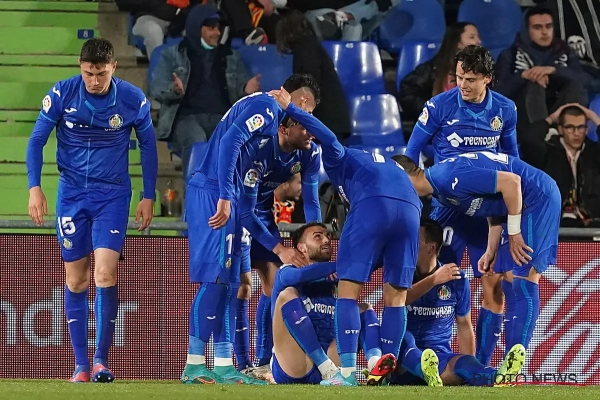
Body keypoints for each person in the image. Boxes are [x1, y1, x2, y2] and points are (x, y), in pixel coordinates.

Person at [269, 87, 422, 387]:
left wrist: (292, 109)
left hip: (373, 204)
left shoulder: (341, 158)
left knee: (349, 294)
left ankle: (348, 374)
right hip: (412, 209)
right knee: (396, 298)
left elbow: (327, 137)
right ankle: (384, 369)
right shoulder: (388, 165)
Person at [25, 38, 158, 383]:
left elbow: (148, 146)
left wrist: (148, 195)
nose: (94, 81)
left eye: (101, 74)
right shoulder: (63, 93)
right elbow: (36, 140)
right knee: (76, 279)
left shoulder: (132, 99)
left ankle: (101, 361)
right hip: (71, 195)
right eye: (88, 73)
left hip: (112, 196)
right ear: (80, 67)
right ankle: (81, 366)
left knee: (105, 275)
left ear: (113, 67)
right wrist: (34, 187)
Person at [181, 74, 319, 384]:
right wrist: (224, 195)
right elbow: (229, 141)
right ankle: (193, 364)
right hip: (215, 191)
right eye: (308, 114)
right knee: (217, 278)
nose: (309, 123)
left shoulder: (277, 126)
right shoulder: (267, 109)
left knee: (231, 282)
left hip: (232, 195)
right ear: (301, 102)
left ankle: (223, 364)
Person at [394, 151, 561, 379]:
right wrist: (491, 247)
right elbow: (491, 201)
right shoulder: (440, 189)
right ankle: (483, 370)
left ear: (402, 177)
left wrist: (514, 232)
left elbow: (512, 183)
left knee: (523, 278)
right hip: (513, 206)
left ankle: (512, 366)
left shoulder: (447, 178)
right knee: (500, 280)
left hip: (536, 198)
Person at [404, 44, 519, 366]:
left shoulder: (505, 109)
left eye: (470, 79)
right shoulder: (438, 106)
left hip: (487, 213)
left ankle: (480, 365)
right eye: (458, 78)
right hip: (447, 208)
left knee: (493, 282)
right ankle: (418, 358)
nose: (462, 85)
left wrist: (514, 211)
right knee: (437, 278)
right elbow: (411, 154)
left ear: (487, 78)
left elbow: (513, 159)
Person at [235, 104, 323, 371]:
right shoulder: (258, 149)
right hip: (236, 212)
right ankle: (241, 364)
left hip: (262, 214)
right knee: (241, 287)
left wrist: (313, 238)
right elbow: (244, 211)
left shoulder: (309, 153)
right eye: (303, 127)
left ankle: (264, 362)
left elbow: (312, 201)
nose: (311, 133)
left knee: (275, 286)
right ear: (283, 129)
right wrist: (280, 249)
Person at [387, 219, 526, 387]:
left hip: (439, 360)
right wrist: (433, 280)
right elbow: (396, 301)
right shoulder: (401, 274)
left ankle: (498, 376)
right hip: (404, 364)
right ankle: (424, 369)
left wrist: (470, 368)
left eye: (415, 241)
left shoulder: (457, 279)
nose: (408, 246)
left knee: (466, 362)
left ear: (431, 247)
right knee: (403, 338)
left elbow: (464, 325)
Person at [270, 222, 401, 385]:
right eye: (318, 236)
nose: (326, 240)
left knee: (363, 309)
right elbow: (299, 276)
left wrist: (390, 245)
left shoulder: (336, 277)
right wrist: (344, 265)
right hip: (297, 364)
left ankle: (375, 365)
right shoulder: (286, 270)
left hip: (331, 359)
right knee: (287, 294)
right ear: (301, 247)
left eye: (327, 236)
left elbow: (370, 265)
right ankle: (326, 367)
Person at [275, 11, 351, 141]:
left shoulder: (305, 48)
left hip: (326, 121)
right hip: (329, 121)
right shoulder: (309, 45)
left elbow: (309, 84)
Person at [399, 22, 481, 123]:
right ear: (458, 43)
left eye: (478, 37)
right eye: (472, 37)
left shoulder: (481, 70)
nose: (478, 41)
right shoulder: (433, 69)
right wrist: (432, 110)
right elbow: (407, 93)